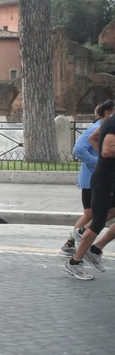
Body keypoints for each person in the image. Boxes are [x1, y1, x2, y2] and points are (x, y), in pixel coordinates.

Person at [63, 110, 115, 280]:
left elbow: (94, 138)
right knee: (98, 222)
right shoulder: (113, 123)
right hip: (104, 179)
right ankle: (74, 263)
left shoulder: (108, 121)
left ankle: (95, 249)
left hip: (109, 176)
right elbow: (107, 151)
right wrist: (101, 160)